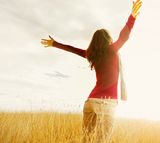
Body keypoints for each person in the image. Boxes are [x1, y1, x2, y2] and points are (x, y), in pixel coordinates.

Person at [41, 0, 142, 142]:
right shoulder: (112, 50)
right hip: (108, 104)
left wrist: (54, 44)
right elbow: (124, 36)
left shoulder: (91, 54)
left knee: (86, 140)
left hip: (91, 101)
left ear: (94, 41)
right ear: (108, 40)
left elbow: (72, 49)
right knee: (102, 141)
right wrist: (132, 16)